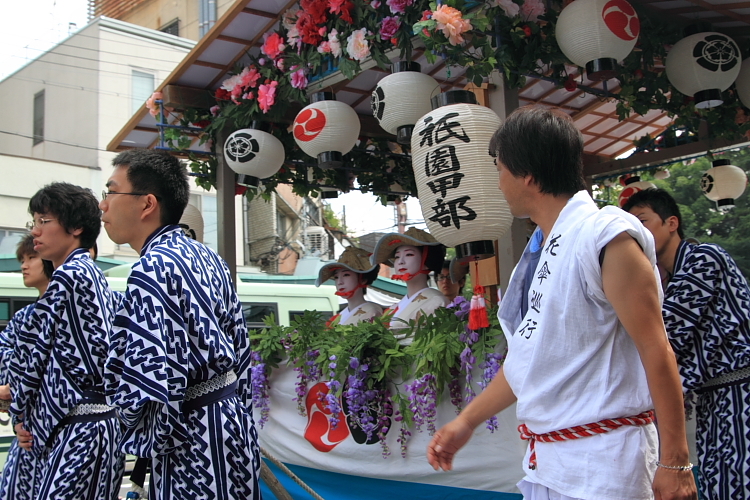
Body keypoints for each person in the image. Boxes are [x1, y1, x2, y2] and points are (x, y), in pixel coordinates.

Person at [426, 106, 696, 500]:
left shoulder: (606, 235)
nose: (498, 183)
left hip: (605, 464)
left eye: (500, 169)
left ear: (528, 176)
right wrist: (465, 421)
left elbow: (657, 349)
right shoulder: (543, 250)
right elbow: (530, 362)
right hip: (549, 464)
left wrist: (675, 461)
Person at [99, 149, 260, 500]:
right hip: (230, 422)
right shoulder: (206, 256)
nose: (103, 205)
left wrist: (137, 428)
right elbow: (242, 350)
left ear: (147, 204)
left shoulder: (152, 268)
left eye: (111, 192)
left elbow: (153, 383)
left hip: (189, 436)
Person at [623, 188, 750, 500]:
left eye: (643, 222)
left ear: (671, 223)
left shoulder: (704, 258)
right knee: (716, 483)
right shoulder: (664, 282)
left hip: (741, 394)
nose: (638, 234)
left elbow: (668, 333)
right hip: (714, 398)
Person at [8, 183, 124, 499]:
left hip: (80, 425)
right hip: (96, 422)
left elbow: (33, 360)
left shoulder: (69, 276)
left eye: (44, 221)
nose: (36, 232)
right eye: (34, 222)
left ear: (75, 227)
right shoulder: (92, 274)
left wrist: (19, 412)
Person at [0, 235, 52, 500]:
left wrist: (13, 388)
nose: (24, 265)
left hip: (52, 432)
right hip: (27, 433)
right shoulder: (22, 318)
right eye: (22, 259)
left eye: (31, 257)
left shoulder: (60, 313)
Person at [370, 228, 447, 341]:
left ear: (426, 261)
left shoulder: (437, 302)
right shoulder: (394, 308)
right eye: (397, 257)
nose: (400, 261)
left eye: (409, 254)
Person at [315, 246, 383, 325]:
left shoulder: (372, 312)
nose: (339, 282)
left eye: (346, 275)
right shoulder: (338, 317)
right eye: (336, 277)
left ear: (363, 279)